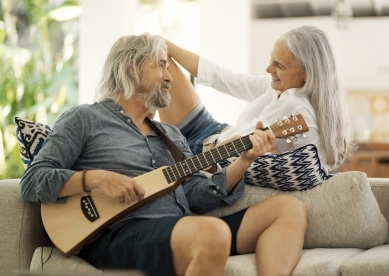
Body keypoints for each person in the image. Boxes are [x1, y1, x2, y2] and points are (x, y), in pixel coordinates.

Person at [19, 33, 307, 276]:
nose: (170, 77)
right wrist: (96, 179)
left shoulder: (171, 136)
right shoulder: (84, 119)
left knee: (289, 209)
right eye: (160, 66)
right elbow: (33, 181)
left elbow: (198, 197)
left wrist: (244, 160)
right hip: (121, 234)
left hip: (182, 227)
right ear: (132, 68)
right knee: (211, 232)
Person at [159, 25, 356, 185]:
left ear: (308, 74)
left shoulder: (301, 111)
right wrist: (165, 44)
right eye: (272, 59)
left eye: (279, 65)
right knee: (158, 55)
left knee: (155, 72)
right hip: (212, 129)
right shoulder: (278, 87)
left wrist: (267, 156)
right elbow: (222, 77)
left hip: (203, 156)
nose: (268, 68)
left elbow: (312, 171)